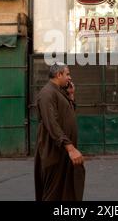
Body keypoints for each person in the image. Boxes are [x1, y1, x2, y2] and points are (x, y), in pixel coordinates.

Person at [34, 62, 85, 201]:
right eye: (67, 74)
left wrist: (71, 96)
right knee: (53, 193)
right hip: (54, 152)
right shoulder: (47, 93)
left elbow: (68, 114)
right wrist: (70, 148)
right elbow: (52, 124)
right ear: (59, 74)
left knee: (65, 190)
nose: (70, 77)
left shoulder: (59, 92)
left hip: (63, 151)